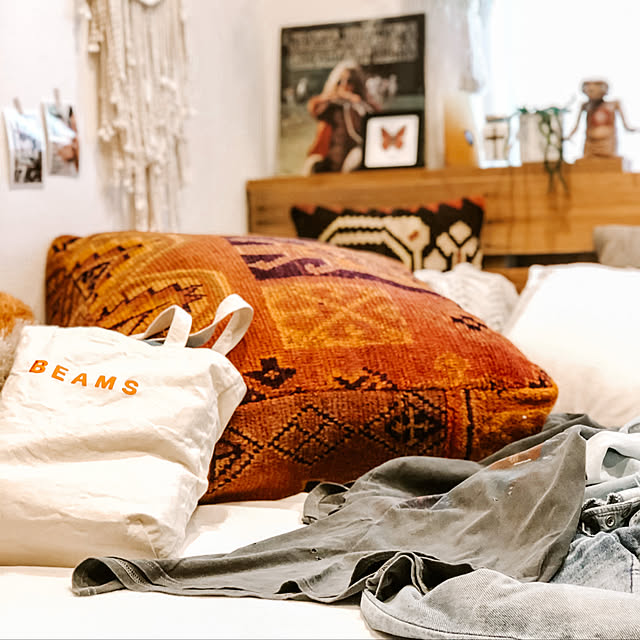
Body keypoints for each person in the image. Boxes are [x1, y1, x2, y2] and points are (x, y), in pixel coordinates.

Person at [303, 60, 378, 174]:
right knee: (311, 163)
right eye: (340, 82)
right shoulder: (330, 106)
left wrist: (356, 103)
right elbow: (314, 108)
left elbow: (375, 117)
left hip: (352, 157)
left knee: (357, 157)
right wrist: (332, 96)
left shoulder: (360, 105)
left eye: (349, 81)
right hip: (329, 156)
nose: (344, 85)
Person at [566, 79, 638, 158]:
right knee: (587, 161)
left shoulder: (613, 104)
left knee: (609, 161)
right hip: (590, 142)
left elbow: (626, 125)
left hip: (607, 142)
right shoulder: (586, 106)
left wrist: (631, 128)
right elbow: (576, 125)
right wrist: (569, 136)